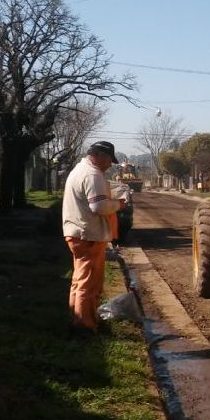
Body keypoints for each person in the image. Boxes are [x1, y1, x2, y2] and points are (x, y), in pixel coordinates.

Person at [62, 141, 124, 333]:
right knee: (88, 283)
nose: (109, 165)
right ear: (98, 155)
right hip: (88, 235)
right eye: (109, 160)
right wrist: (118, 204)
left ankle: (78, 318)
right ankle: (85, 327)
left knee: (79, 280)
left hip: (79, 233)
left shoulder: (79, 170)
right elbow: (98, 207)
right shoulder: (92, 175)